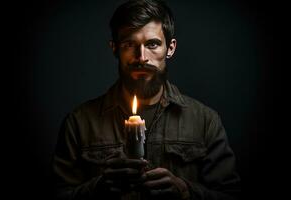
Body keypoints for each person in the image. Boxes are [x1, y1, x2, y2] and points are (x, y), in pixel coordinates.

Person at [51, 0, 241, 199]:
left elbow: (230, 194)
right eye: (129, 44)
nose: (141, 57)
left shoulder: (205, 121)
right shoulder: (79, 123)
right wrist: (98, 188)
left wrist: (185, 191)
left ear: (170, 48)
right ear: (115, 48)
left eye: (152, 44)